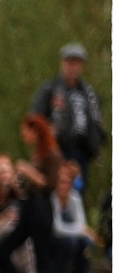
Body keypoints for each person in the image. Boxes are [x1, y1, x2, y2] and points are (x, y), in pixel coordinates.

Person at [0, 114, 62, 273]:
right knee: (2, 252)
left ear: (35, 131)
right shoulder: (37, 155)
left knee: (43, 259)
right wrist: (18, 182)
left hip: (42, 210)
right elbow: (29, 188)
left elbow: (50, 185)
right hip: (28, 208)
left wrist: (29, 172)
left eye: (25, 130)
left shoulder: (52, 154)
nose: (23, 135)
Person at [30, 43, 106, 183]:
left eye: (76, 63)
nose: (72, 67)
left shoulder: (89, 93)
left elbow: (97, 121)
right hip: (56, 150)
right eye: (69, 62)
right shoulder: (50, 89)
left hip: (81, 152)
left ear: (81, 65)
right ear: (62, 63)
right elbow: (34, 118)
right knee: (56, 187)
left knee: (77, 189)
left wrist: (97, 142)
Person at [47, 162, 99, 273]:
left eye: (67, 182)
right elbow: (57, 228)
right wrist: (80, 231)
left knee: (87, 243)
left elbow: (81, 222)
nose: (64, 186)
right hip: (53, 239)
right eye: (61, 182)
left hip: (69, 238)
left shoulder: (75, 198)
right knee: (70, 242)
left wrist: (82, 230)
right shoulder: (52, 198)